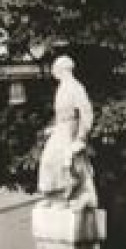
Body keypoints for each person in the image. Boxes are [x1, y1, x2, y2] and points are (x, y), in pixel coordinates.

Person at [38, 56, 95, 209]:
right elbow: (61, 116)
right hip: (61, 129)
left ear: (63, 69)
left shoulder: (75, 87)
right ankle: (52, 195)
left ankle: (63, 196)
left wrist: (81, 137)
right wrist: (54, 128)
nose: (53, 72)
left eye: (55, 69)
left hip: (71, 130)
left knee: (60, 161)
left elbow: (86, 112)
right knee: (47, 160)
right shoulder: (62, 88)